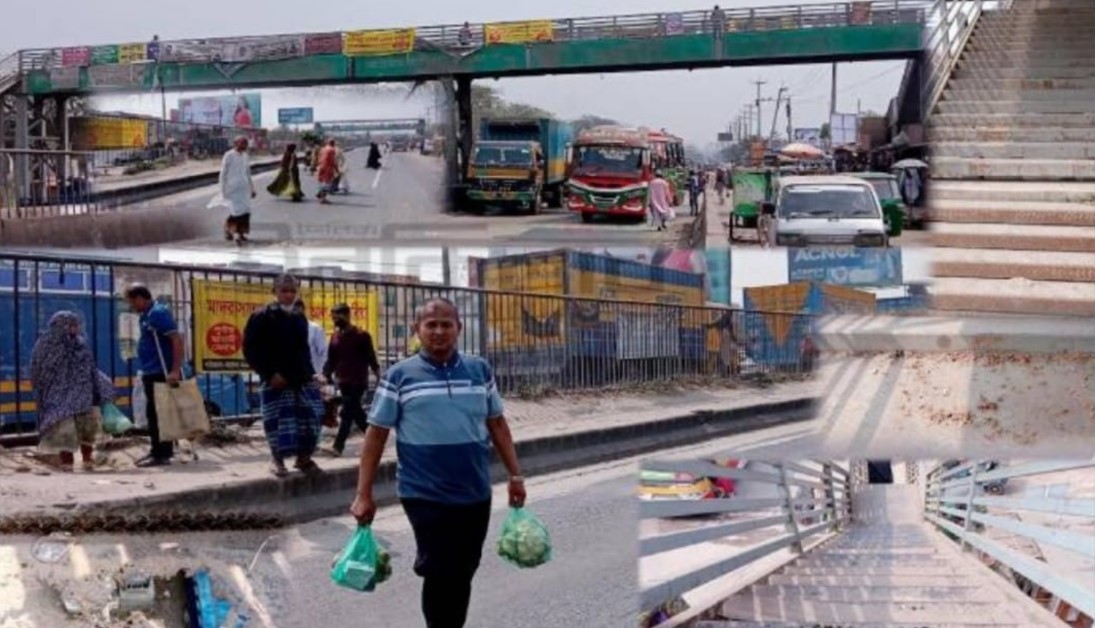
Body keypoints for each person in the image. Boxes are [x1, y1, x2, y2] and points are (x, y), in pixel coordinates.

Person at [350, 298, 526, 628]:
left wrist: (516, 476)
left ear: (459, 328)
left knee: (464, 570)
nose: (439, 331)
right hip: (424, 493)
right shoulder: (399, 376)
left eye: (446, 323)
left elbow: (497, 424)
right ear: (418, 330)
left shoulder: (479, 370)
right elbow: (375, 436)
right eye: (431, 324)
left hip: (474, 490)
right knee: (440, 569)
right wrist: (363, 493)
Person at [243, 274, 325, 478]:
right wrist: (269, 374)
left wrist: (311, 375)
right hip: (275, 381)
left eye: (292, 291)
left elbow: (303, 349)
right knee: (277, 423)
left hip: (301, 379)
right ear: (274, 292)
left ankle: (303, 458)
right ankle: (277, 460)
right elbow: (250, 349)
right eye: (284, 290)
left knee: (311, 418)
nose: (288, 295)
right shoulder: (261, 316)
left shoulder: (299, 317)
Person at [30, 311, 115, 473]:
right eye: (72, 325)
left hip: (82, 391)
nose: (76, 329)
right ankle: (66, 462)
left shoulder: (79, 343)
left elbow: (89, 366)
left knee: (86, 427)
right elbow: (37, 369)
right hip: (58, 393)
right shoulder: (45, 345)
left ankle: (87, 459)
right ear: (62, 325)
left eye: (76, 325)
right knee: (64, 429)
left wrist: (101, 383)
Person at [125, 284, 184, 467]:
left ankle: (161, 454)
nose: (132, 306)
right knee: (155, 414)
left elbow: (176, 339)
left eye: (132, 301)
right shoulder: (147, 315)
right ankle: (158, 450)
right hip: (151, 370)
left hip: (161, 372)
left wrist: (175, 370)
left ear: (141, 298)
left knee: (157, 414)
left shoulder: (158, 313)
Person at [322, 303, 381, 457]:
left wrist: (379, 376)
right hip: (343, 381)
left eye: (338, 316)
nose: (335, 320)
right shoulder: (335, 337)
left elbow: (371, 358)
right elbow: (331, 360)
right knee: (356, 413)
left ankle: (338, 446)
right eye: (333, 317)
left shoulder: (362, 336)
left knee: (347, 412)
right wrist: (325, 375)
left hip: (359, 381)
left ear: (348, 315)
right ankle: (376, 439)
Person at [218, 136, 257, 244]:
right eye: (243, 143)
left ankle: (241, 233)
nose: (245, 145)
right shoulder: (228, 156)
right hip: (232, 189)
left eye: (246, 143)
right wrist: (222, 190)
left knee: (245, 211)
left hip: (243, 189)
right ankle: (230, 230)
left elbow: (248, 174)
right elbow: (223, 174)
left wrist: (252, 188)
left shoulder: (245, 156)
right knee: (236, 212)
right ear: (236, 143)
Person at [293, 299, 329, 380]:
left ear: (301, 309)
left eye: (295, 309)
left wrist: (322, 374)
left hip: (312, 377)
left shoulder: (315, 328)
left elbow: (324, 353)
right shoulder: (285, 328)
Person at [315, 139, 339, 204]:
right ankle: (323, 199)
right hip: (327, 168)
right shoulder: (332, 150)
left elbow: (319, 158)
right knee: (327, 184)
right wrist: (336, 169)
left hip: (321, 167)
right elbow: (332, 161)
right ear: (333, 143)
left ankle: (320, 194)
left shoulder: (322, 149)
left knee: (321, 182)